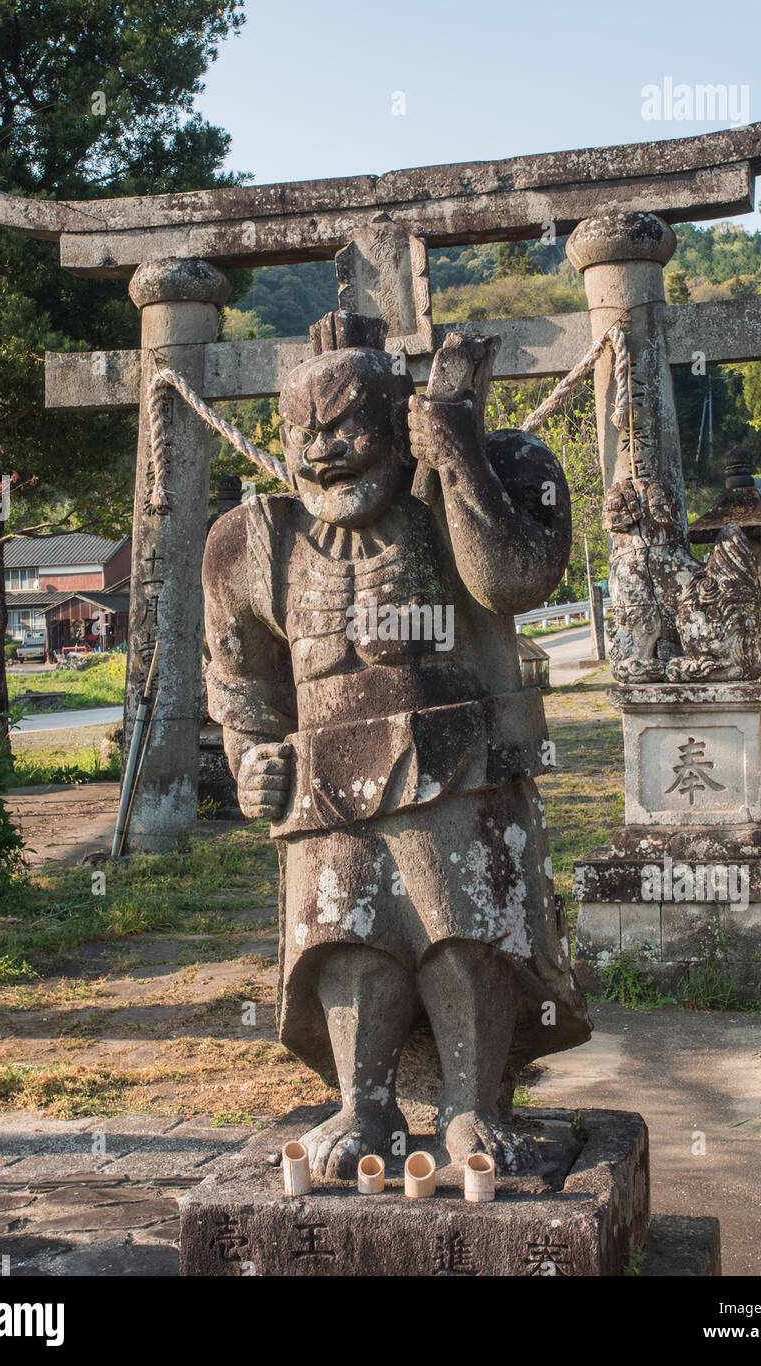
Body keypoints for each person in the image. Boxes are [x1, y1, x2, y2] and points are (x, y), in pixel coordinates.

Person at [203, 312, 590, 1177]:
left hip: (456, 759)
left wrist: (456, 451)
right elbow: (242, 685)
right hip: (322, 777)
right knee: (345, 935)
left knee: (460, 932)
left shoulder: (492, 473)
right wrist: (249, 760)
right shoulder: (253, 540)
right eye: (303, 434)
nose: (324, 452)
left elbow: (514, 579)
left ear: (399, 421)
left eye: (347, 428)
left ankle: (470, 1105)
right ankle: (363, 1102)